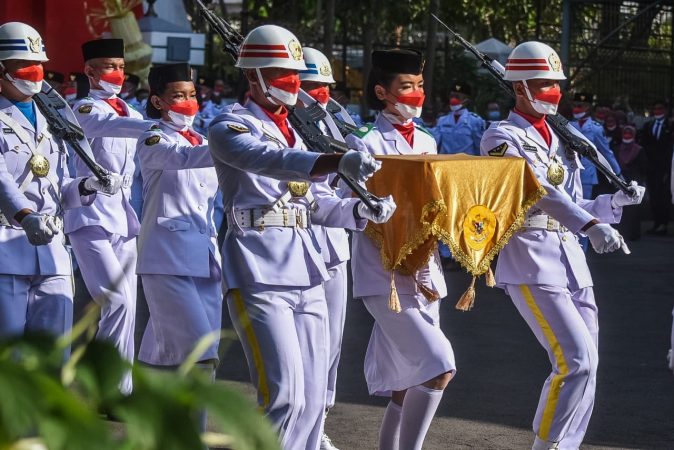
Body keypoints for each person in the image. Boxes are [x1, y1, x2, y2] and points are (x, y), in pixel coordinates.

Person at [207, 25, 396, 450]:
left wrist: (361, 209)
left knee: (312, 400)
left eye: (294, 73)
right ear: (252, 77)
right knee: (283, 396)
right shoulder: (228, 126)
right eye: (279, 73)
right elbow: (271, 161)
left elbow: (317, 204)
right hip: (258, 268)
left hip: (307, 268)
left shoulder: (296, 130)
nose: (292, 82)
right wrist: (335, 159)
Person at [481, 41, 645, 450]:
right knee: (575, 362)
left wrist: (611, 204)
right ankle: (547, 445)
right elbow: (535, 191)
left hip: (572, 258)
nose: (554, 91)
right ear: (520, 88)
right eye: (545, 83)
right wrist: (590, 224)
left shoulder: (561, 137)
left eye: (557, 83)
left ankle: (566, 446)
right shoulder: (499, 137)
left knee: (589, 366)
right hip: (531, 261)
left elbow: (575, 200)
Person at [345, 48, 455, 450]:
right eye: (406, 86)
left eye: (420, 86)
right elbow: (344, 198)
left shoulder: (427, 139)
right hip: (383, 272)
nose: (416, 94)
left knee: (405, 385)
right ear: (381, 91)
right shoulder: (364, 140)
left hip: (426, 272)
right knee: (439, 366)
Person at [0, 22, 121, 355]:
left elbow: (57, 183)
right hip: (6, 247)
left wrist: (87, 185)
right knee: (11, 359)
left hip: (52, 251)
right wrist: (25, 216)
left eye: (39, 63)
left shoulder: (53, 116)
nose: (35, 72)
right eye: (24, 64)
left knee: (54, 356)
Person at [135, 63, 221, 430]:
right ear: (157, 100)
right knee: (198, 355)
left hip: (205, 260)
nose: (188, 102)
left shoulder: (201, 141)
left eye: (192, 94)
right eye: (177, 95)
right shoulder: (153, 137)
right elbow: (178, 160)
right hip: (166, 259)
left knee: (196, 357)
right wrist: (233, 147)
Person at [64, 38, 152, 393]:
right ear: (89, 71)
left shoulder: (131, 112)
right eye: (109, 66)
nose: (118, 73)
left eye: (121, 66)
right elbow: (106, 127)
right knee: (117, 301)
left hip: (124, 217)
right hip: (89, 216)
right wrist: (156, 127)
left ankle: (120, 387)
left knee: (129, 307)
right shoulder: (82, 109)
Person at [298, 46, 350, 450]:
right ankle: (299, 427)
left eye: (325, 88)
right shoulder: (285, 126)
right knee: (304, 346)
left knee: (331, 343)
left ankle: (320, 422)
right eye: (313, 86)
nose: (320, 95)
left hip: (334, 242)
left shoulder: (334, 121)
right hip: (301, 241)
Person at [570, 92, 622, 200]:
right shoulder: (568, 125)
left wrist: (617, 172)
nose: (576, 109)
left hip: (586, 173)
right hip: (569, 170)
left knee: (584, 206)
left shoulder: (595, 128)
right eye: (574, 105)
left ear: (588, 108)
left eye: (580, 106)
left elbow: (606, 152)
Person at [640, 100, 673, 235]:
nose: (657, 112)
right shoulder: (648, 125)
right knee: (653, 196)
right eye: (655, 109)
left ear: (665, 110)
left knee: (663, 196)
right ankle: (656, 223)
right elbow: (644, 144)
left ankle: (663, 224)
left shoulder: (670, 125)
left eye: (660, 109)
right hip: (651, 167)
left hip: (665, 167)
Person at [432, 80, 485, 155]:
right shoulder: (442, 120)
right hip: (444, 163)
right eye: (451, 96)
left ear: (466, 100)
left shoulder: (475, 121)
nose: (453, 100)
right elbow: (435, 143)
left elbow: (479, 148)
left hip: (465, 164)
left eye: (457, 97)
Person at [614, 125, 648, 240]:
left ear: (634, 135)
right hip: (620, 181)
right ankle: (621, 233)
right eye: (625, 133)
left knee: (634, 209)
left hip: (635, 183)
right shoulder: (617, 149)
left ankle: (634, 234)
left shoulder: (639, 150)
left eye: (629, 134)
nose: (627, 136)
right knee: (619, 206)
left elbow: (644, 167)